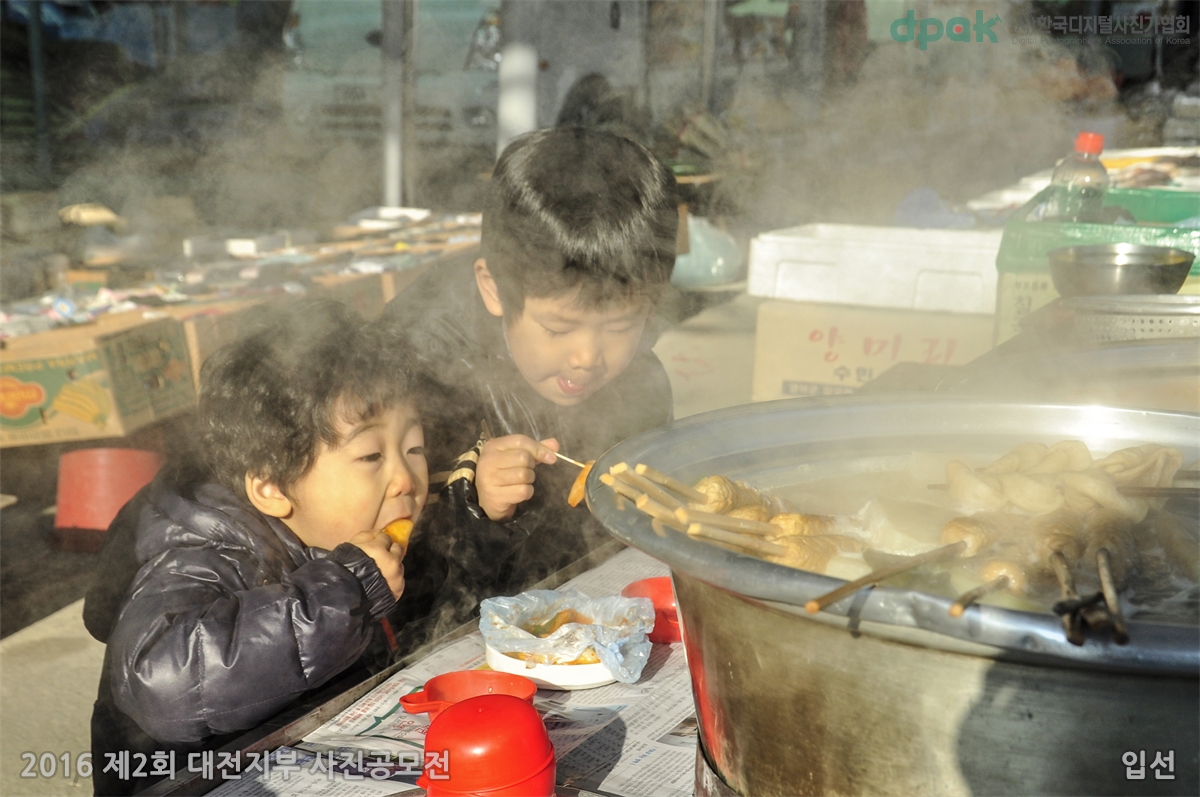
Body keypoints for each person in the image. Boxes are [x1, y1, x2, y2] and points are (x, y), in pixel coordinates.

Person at [84, 299, 436, 796]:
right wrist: (344, 592)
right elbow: (159, 683)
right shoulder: (202, 554)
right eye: (371, 455)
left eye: (414, 448)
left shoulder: (348, 535)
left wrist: (479, 512)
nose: (405, 479)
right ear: (271, 487)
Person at [382, 127, 679, 615]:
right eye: (558, 328)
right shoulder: (414, 373)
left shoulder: (641, 380)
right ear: (493, 289)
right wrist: (476, 509)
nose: (587, 357)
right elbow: (393, 578)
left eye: (621, 326)